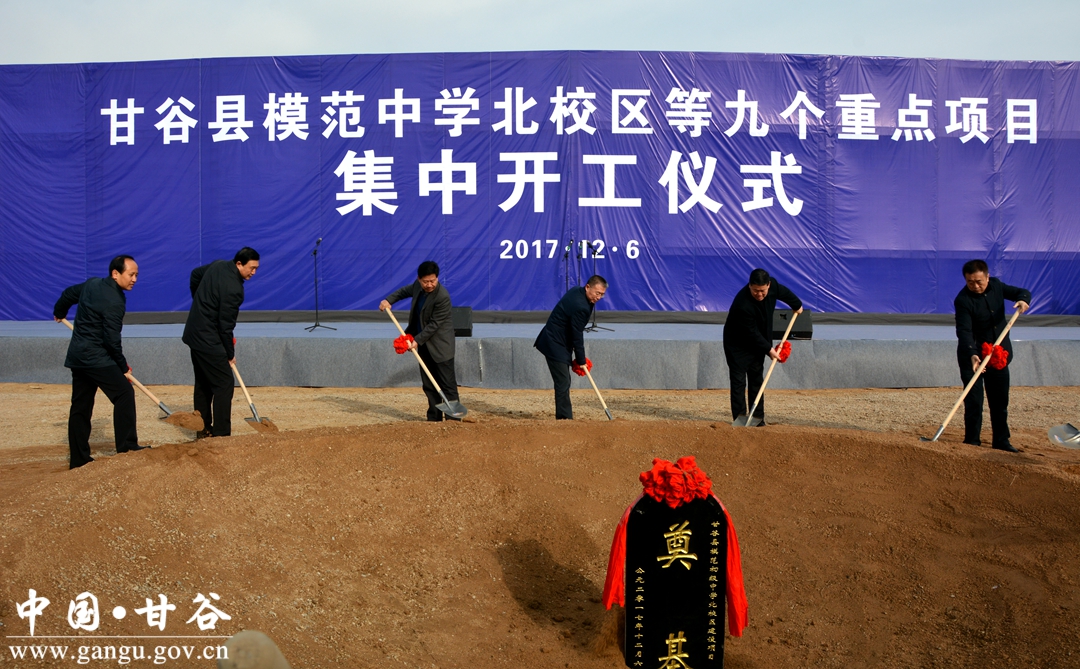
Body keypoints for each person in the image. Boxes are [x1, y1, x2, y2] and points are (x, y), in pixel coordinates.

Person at [53, 255, 146, 468]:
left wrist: (59, 311)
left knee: (81, 406)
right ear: (115, 274)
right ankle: (127, 447)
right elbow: (112, 340)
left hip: (78, 356)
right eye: (131, 274)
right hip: (96, 358)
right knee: (124, 393)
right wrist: (122, 366)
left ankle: (79, 459)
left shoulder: (92, 284)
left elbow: (68, 294)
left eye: (136, 275)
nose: (134, 279)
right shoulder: (115, 301)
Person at [954, 260, 1030, 453]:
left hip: (998, 354)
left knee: (999, 401)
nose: (975, 286)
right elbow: (964, 330)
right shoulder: (963, 300)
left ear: (987, 277)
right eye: (970, 282)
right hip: (972, 356)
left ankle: (1001, 441)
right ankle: (972, 441)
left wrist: (1023, 300)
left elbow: (1021, 292)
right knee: (974, 401)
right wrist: (972, 354)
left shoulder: (996, 285)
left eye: (979, 281)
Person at [183, 247, 260, 437]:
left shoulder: (218, 265)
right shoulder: (235, 289)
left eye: (256, 268)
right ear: (239, 264)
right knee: (224, 384)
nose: (254, 272)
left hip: (194, 333)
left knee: (203, 383)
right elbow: (225, 326)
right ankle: (221, 434)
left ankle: (203, 430)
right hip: (208, 338)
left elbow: (195, 275)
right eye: (251, 268)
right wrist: (230, 354)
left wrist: (200, 303)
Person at [379, 261, 459, 422]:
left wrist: (417, 340)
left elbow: (434, 324)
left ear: (437, 278)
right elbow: (403, 291)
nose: (429, 285)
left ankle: (454, 419)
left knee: (447, 385)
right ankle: (434, 418)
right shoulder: (417, 286)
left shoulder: (442, 297)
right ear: (419, 279)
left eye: (432, 281)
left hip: (441, 346)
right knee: (429, 385)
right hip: (424, 345)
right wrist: (389, 300)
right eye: (425, 281)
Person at [722, 268, 803, 425]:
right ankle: (740, 420)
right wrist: (769, 349)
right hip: (737, 344)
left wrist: (797, 305)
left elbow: (785, 293)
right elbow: (751, 332)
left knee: (756, 379)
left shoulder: (774, 287)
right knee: (738, 382)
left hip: (758, 342)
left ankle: (758, 419)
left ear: (768, 285)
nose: (759, 294)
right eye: (755, 291)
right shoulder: (742, 304)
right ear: (749, 286)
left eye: (762, 291)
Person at [534, 275, 608, 419]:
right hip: (554, 343)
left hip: (560, 340)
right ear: (588, 287)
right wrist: (581, 360)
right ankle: (564, 420)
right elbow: (577, 334)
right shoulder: (581, 306)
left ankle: (564, 418)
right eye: (597, 293)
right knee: (563, 382)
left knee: (564, 381)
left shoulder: (577, 291)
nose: (599, 297)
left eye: (602, 295)